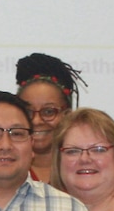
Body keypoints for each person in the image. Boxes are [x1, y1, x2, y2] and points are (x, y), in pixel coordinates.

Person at [16, 52, 81, 181]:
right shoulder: (5, 170)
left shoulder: (83, 168)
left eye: (49, 112)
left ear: (67, 115)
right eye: (28, 112)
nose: (36, 121)